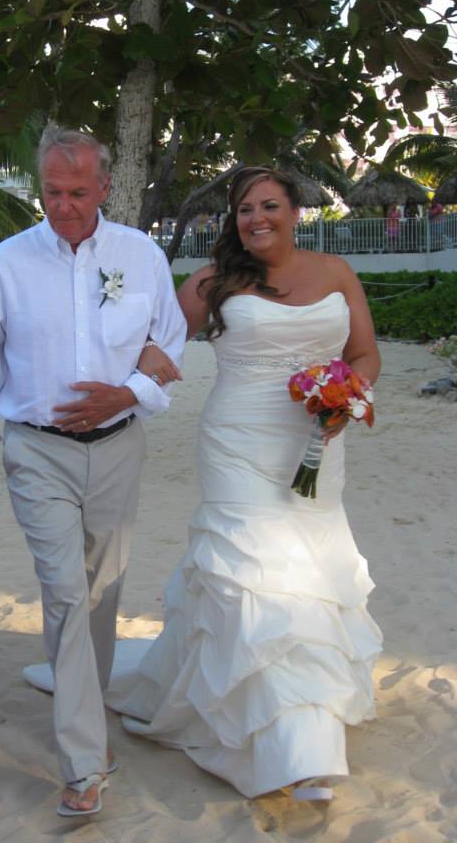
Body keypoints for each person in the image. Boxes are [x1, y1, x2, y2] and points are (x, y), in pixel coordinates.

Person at [63, 165, 382, 801]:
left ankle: (301, 723)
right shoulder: (212, 281)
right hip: (238, 442)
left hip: (317, 439)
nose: (256, 218)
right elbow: (151, 337)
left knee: (310, 579)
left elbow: (365, 353)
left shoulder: (336, 273)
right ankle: (297, 749)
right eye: (243, 209)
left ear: (295, 210)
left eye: (269, 206)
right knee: (255, 573)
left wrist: (351, 395)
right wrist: (128, 366)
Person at [0, 126, 186, 817]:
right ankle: (86, 763)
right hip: (35, 450)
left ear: (105, 188)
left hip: (119, 447)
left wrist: (130, 395)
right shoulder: (8, 261)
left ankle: (84, 712)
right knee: (61, 593)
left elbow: (170, 339)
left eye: (77, 192)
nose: (62, 205)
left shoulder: (139, 255)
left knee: (101, 594)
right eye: (52, 192)